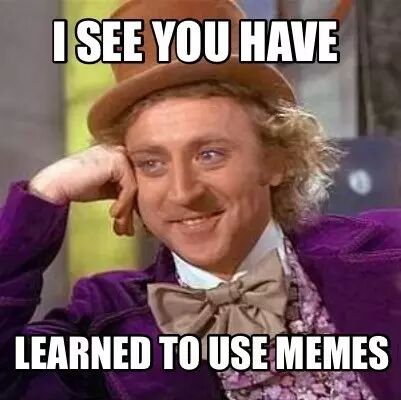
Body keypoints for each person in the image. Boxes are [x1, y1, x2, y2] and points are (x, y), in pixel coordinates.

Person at [0, 1, 400, 399]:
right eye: (152, 163)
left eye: (210, 155)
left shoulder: (389, 249)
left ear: (275, 160)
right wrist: (45, 194)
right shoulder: (103, 321)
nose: (183, 192)